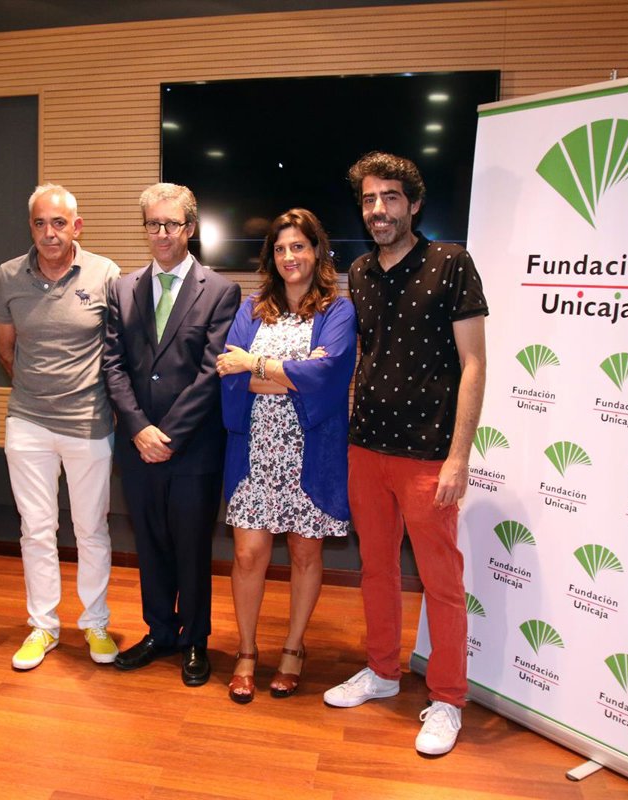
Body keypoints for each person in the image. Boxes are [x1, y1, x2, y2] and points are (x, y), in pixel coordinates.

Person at [322, 153, 487, 756]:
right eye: (369, 199)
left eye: (390, 197)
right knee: (377, 570)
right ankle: (383, 671)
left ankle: (447, 699)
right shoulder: (360, 271)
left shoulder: (451, 262)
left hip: (428, 453)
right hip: (366, 448)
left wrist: (459, 456)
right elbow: (367, 355)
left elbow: (474, 363)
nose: (379, 209)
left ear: (413, 204)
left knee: (442, 582)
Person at [215, 208, 356, 704]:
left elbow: (328, 377)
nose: (289, 256)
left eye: (298, 246)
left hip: (310, 455)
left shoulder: (337, 312)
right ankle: (247, 652)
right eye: (279, 248)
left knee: (304, 554)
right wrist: (293, 374)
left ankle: (294, 650)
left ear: (317, 250)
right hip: (255, 453)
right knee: (247, 555)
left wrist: (255, 364)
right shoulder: (251, 309)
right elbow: (229, 375)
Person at [103, 182, 240, 686]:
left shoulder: (220, 291)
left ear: (190, 227)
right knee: (150, 544)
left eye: (172, 224)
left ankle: (195, 639)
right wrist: (139, 429)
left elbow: (211, 372)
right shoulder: (122, 288)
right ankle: (160, 631)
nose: (162, 233)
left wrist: (168, 435)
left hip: (193, 448)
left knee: (191, 547)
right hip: (137, 446)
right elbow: (113, 365)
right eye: (153, 224)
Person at [0, 183, 121, 670]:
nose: (49, 233)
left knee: (91, 529)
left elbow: (118, 351)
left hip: (89, 423)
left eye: (59, 223)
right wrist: (39, 392)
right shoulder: (7, 277)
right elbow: (6, 351)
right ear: (31, 227)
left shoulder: (106, 274)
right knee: (37, 529)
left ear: (76, 227)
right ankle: (42, 626)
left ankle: (95, 623)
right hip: (27, 422)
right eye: (41, 223)